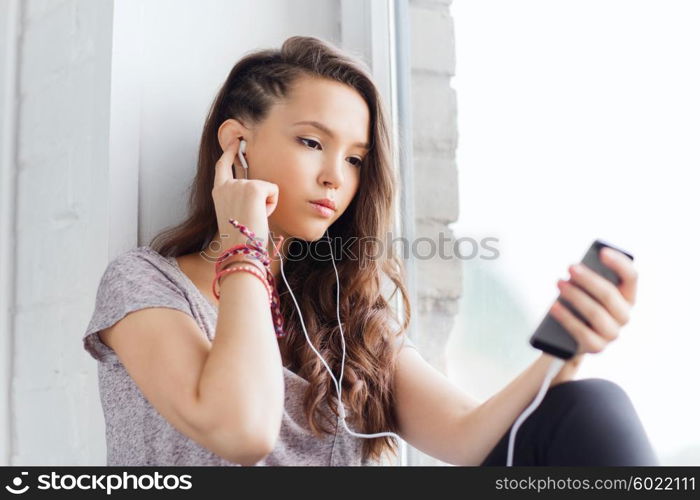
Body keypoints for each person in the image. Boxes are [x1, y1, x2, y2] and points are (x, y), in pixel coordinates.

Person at [82, 36, 658, 466]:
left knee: (590, 405)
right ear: (237, 144)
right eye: (312, 142)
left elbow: (467, 435)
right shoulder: (145, 285)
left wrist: (567, 350)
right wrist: (244, 246)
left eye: (355, 159)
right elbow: (242, 430)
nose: (336, 177)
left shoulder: (346, 312)